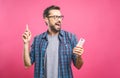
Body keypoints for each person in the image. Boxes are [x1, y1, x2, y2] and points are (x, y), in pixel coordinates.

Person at [22, 5, 84, 78]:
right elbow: (27, 64)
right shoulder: (37, 40)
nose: (59, 20)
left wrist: (79, 56)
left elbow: (78, 66)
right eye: (55, 17)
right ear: (46, 19)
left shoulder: (70, 37)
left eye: (60, 17)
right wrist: (26, 44)